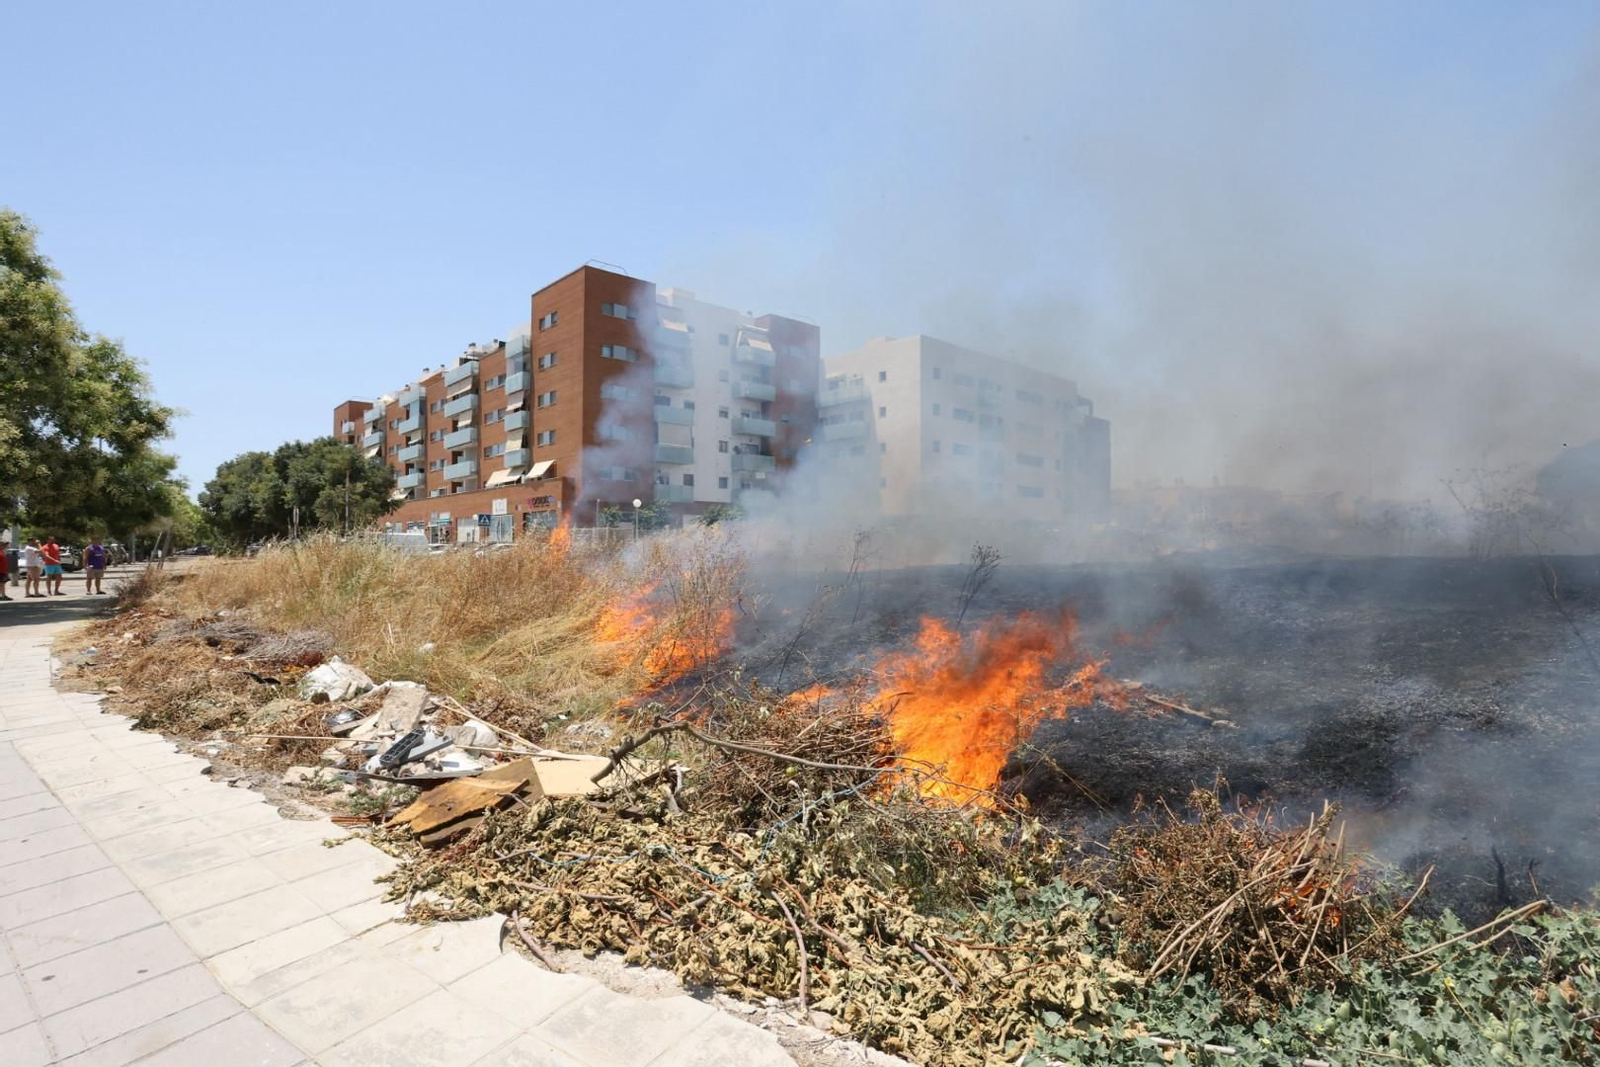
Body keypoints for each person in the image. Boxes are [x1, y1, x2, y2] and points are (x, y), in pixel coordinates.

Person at [0, 535, 11, 600]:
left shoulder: (2, 551)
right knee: (1, 583)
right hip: (0, 571)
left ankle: (3, 595)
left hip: (3, 571)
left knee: (2, 583)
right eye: (4, 545)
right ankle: (3, 596)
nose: (5, 546)